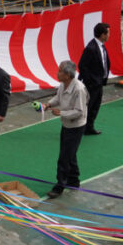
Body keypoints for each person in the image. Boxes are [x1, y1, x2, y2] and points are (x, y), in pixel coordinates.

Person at [43, 60, 88, 198]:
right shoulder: (64, 85)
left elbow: (79, 111)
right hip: (67, 124)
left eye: (60, 71)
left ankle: (59, 186)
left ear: (68, 75)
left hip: (75, 126)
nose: (57, 73)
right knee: (70, 154)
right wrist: (48, 104)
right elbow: (58, 98)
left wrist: (61, 113)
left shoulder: (79, 89)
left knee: (64, 157)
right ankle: (74, 180)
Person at [78, 22, 111, 135]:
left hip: (99, 82)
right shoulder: (91, 48)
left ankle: (89, 127)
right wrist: (91, 81)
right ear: (102, 34)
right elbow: (82, 66)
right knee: (87, 106)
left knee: (95, 106)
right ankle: (80, 128)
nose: (109, 35)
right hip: (92, 84)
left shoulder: (101, 46)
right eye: (108, 33)